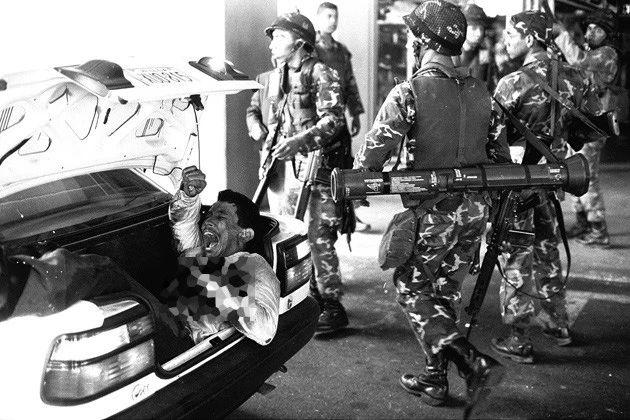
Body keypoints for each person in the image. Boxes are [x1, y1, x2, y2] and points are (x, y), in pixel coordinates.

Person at [354, 0, 509, 409]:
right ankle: (434, 378)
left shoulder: (408, 93)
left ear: (422, 40)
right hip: (474, 213)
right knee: (444, 293)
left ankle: (469, 359)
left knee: (411, 287)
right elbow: (501, 160)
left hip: (433, 213)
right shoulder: (483, 93)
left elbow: (369, 159)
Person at [487, 11, 588, 363]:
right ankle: (558, 323)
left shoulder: (512, 83)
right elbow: (587, 129)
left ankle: (518, 337)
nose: (506, 40)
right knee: (547, 249)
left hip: (519, 184)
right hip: (555, 180)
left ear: (530, 39)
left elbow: (492, 140)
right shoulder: (575, 78)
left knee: (516, 253)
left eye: (511, 34)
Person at [245, 12, 349, 332]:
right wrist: (269, 152)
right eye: (272, 37)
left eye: (280, 37)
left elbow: (333, 121)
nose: (272, 44)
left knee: (319, 237)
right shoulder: (279, 76)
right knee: (293, 233)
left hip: (321, 169)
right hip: (292, 170)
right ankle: (308, 297)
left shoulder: (322, 73)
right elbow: (273, 118)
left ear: (300, 43)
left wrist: (298, 142)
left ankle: (332, 306)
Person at [163, 166, 281, 345]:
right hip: (170, 329)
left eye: (221, 217)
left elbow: (264, 330)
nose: (208, 220)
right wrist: (188, 196)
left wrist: (212, 282)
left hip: (196, 347)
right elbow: (182, 223)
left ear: (244, 234)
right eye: (209, 215)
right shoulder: (200, 249)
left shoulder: (254, 264)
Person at [554, 8, 619, 247]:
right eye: (589, 28)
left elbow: (578, 60)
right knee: (575, 172)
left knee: (588, 176)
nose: (591, 32)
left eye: (597, 29)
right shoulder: (592, 51)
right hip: (580, 119)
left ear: (607, 34)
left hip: (593, 123)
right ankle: (582, 221)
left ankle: (598, 229)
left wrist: (562, 35)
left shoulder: (607, 53)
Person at [314, 1, 371, 232]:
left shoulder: (340, 51)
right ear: (318, 19)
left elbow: (350, 83)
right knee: (320, 168)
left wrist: (355, 114)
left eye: (335, 16)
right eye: (328, 16)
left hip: (339, 117)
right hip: (318, 118)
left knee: (345, 165)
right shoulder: (312, 50)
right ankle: (323, 217)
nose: (332, 21)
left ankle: (348, 215)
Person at [456, 3, 496, 91]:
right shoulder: (452, 53)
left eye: (481, 28)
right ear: (463, 28)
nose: (479, 33)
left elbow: (489, 82)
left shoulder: (484, 52)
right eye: (474, 28)